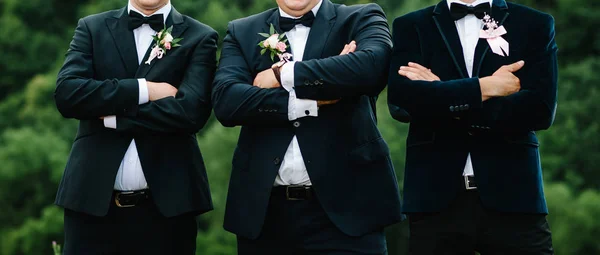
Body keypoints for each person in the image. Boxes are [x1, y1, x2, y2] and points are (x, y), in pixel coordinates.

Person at [212, 0, 403, 253]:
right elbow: (227, 101)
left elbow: (372, 68)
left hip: (350, 214)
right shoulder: (241, 30)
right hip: (265, 217)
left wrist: (282, 75)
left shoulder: (361, 17)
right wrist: (315, 97)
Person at [388, 0, 557, 254]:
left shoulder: (535, 23)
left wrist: (441, 93)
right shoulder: (410, 26)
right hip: (434, 199)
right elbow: (402, 103)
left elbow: (540, 109)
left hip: (514, 195)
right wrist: (486, 88)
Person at [53, 0, 217, 254]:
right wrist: (145, 89)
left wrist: (112, 117)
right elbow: (68, 94)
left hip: (169, 209)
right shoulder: (92, 27)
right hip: (91, 205)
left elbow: (190, 112)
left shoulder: (200, 36)